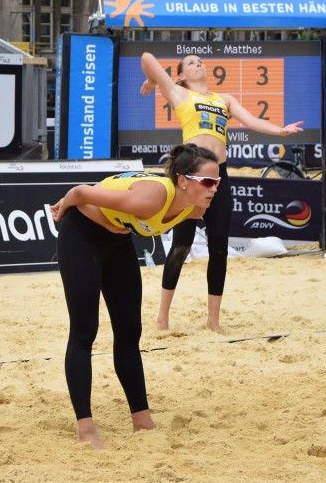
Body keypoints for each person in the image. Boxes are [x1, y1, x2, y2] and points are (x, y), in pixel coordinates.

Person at [50, 143, 220, 449]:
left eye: (217, 181)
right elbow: (80, 192)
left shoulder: (196, 207)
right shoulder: (152, 197)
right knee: (84, 331)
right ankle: (86, 429)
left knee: (129, 332)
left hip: (117, 241)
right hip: (81, 234)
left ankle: (142, 420)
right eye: (208, 181)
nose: (214, 188)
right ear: (183, 180)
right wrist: (62, 209)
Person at [140, 52, 303, 333]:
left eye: (200, 60)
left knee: (219, 250)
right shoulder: (179, 94)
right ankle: (162, 317)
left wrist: (281, 131)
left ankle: (213, 322)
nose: (198, 63)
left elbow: (251, 121)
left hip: (219, 177)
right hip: (191, 179)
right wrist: (153, 80)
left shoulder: (223, 99)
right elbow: (146, 57)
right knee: (181, 246)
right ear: (180, 76)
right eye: (190, 62)